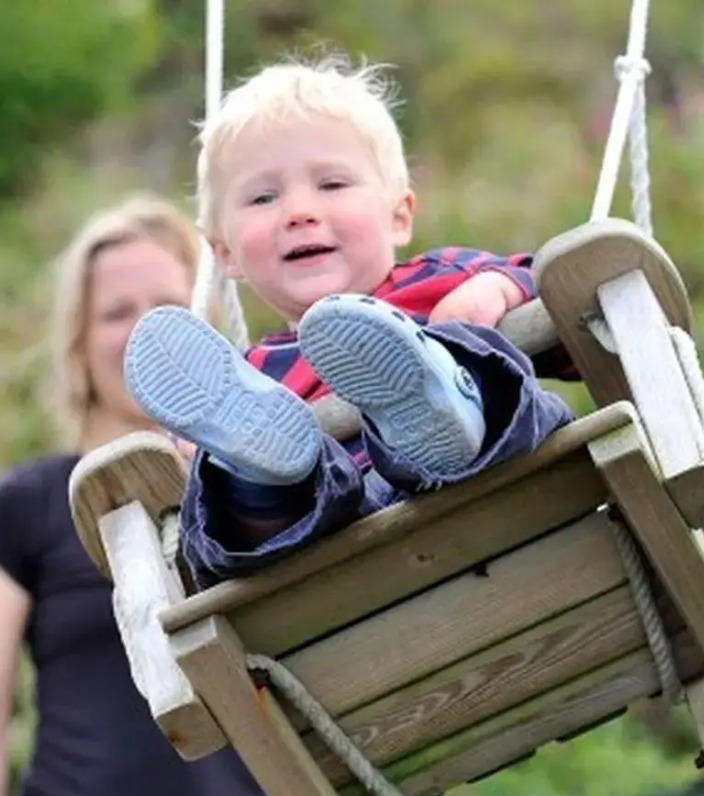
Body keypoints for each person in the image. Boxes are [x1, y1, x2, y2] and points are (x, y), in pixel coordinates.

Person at [0, 192, 517, 796]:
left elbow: (324, 709)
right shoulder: (28, 506)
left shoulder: (253, 507)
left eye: (164, 309)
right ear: (77, 340)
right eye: (116, 313)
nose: (138, 331)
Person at [121, 55, 583, 590]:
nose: (298, 210)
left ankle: (447, 400)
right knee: (233, 507)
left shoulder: (442, 281)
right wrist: (198, 456)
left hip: (495, 492)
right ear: (224, 253)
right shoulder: (250, 375)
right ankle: (258, 477)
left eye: (333, 184)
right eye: (263, 197)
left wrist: (502, 287)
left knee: (492, 374)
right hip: (340, 560)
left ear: (399, 214)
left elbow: (572, 318)